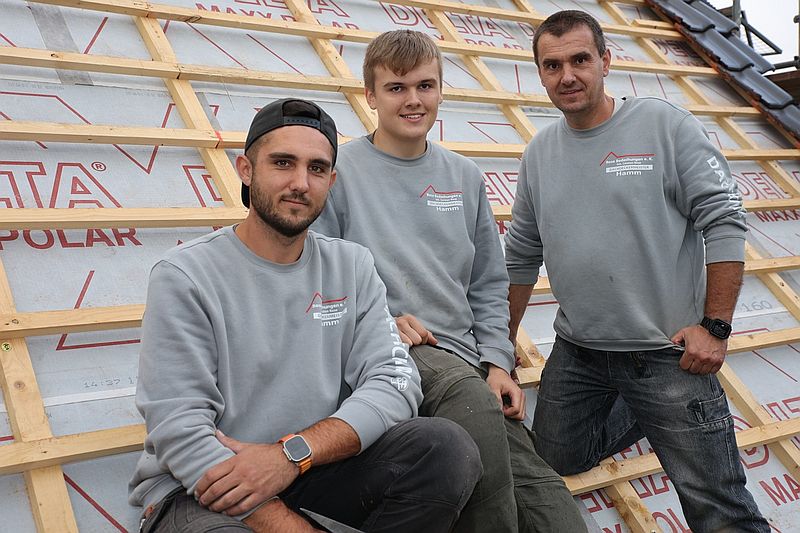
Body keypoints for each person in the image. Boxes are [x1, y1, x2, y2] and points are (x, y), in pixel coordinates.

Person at [129, 98, 482, 533]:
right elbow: (180, 428)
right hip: (205, 487)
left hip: (309, 470)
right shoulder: (185, 276)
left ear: (332, 180)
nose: (300, 182)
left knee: (445, 448)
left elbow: (395, 381)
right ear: (245, 169)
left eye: (316, 169)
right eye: (282, 163)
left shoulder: (351, 266)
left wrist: (292, 455)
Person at [505, 10, 769, 532]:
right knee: (556, 457)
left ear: (606, 60)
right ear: (540, 74)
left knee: (719, 510)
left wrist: (715, 328)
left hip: (667, 354)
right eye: (552, 65)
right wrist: (499, 344)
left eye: (580, 60)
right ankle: (644, 415)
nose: (568, 76)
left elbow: (723, 220)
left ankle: (660, 412)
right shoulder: (540, 153)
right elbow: (520, 254)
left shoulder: (663, 126)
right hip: (580, 352)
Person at [312, 30, 586, 533]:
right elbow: (314, 273)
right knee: (484, 493)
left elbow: (487, 282)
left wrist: (499, 361)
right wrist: (377, 322)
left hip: (467, 363)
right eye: (396, 88)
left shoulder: (462, 175)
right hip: (390, 352)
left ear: (441, 90)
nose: (413, 100)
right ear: (370, 95)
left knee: (553, 511)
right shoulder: (337, 172)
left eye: (425, 86)